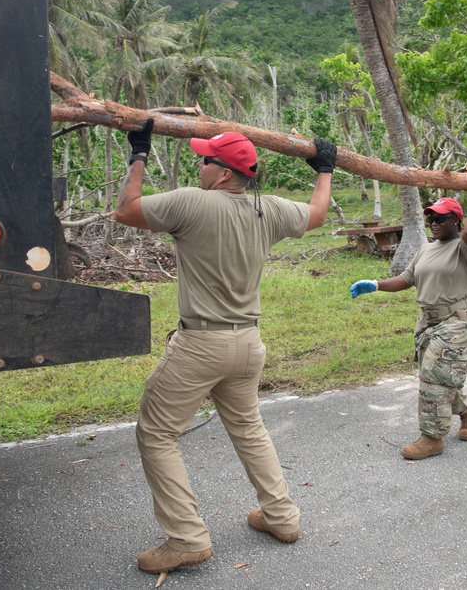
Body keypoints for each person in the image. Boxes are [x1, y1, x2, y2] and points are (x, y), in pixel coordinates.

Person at [112, 118, 336, 574]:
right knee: (249, 428)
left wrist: (138, 155)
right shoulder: (267, 208)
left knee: (156, 433)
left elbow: (126, 211)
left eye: (205, 160)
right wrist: (325, 169)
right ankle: (282, 517)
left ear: (225, 173)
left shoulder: (193, 203)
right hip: (249, 344)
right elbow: (317, 214)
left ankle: (187, 539)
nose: (199, 164)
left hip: (202, 343)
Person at [349, 178, 467, 460]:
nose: (433, 222)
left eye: (441, 218)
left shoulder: (465, 247)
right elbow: (407, 278)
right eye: (431, 217)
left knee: (433, 375)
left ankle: (432, 438)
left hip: (458, 319)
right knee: (439, 376)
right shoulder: (425, 248)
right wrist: (375, 283)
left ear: (455, 221)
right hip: (429, 321)